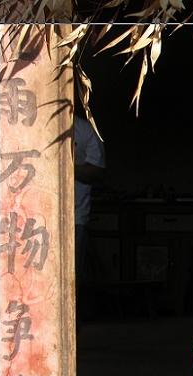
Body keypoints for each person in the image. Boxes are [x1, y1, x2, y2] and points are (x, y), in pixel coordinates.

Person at [74, 114, 106, 280]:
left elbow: (98, 171)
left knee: (72, 276)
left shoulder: (85, 129)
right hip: (40, 215)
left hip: (76, 218)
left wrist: (66, 165)